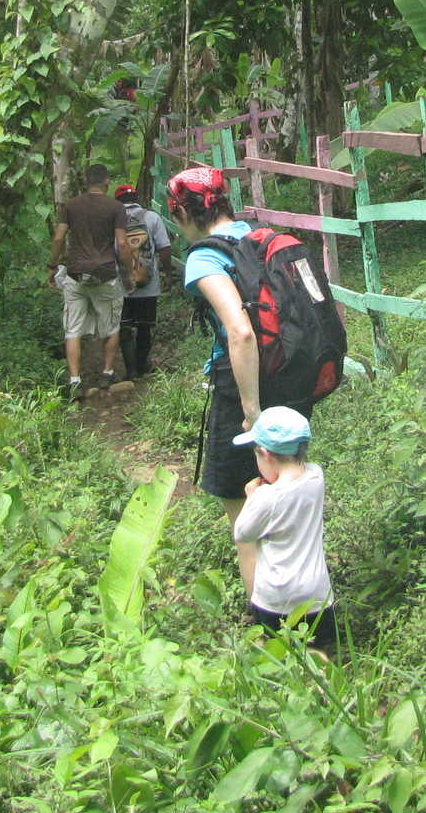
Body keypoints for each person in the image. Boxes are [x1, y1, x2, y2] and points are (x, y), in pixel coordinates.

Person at [167, 165, 279, 592]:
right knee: (284, 492)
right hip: (285, 375)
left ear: (181, 213)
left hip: (241, 388)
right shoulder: (255, 234)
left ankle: (269, 625)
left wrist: (251, 412)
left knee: (245, 521)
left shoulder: (205, 257)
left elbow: (241, 330)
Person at [231, 406, 335, 652]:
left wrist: (251, 496)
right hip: (317, 594)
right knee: (318, 652)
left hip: (277, 597)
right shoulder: (316, 476)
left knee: (282, 655)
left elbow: (243, 533)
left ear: (266, 454)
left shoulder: (267, 496)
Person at [48, 163, 135, 399]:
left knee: (72, 329)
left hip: (75, 275)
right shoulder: (116, 207)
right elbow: (123, 244)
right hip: (105, 274)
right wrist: (129, 273)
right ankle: (107, 374)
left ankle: (75, 380)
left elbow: (58, 238)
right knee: (111, 326)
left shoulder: (70, 206)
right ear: (106, 182)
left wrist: (52, 265)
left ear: (87, 182)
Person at [115, 183, 172, 379]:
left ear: (117, 201)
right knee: (144, 326)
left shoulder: (112, 220)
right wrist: (167, 274)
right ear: (137, 199)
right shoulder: (152, 217)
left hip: (122, 285)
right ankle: (141, 366)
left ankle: (130, 370)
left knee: (124, 327)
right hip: (149, 284)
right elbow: (165, 248)